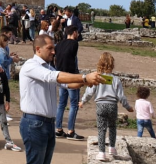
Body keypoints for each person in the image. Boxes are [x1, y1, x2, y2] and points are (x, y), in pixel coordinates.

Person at [19, 35, 104, 164]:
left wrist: (87, 82)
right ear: (38, 49)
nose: (54, 52)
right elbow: (56, 77)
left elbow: (67, 84)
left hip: (47, 123)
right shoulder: (31, 65)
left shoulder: (47, 67)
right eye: (50, 48)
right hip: (34, 123)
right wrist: (85, 78)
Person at [79, 52, 134, 162]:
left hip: (100, 105)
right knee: (112, 126)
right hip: (112, 105)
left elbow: (90, 91)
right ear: (112, 65)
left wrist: (83, 101)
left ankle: (101, 153)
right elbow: (120, 95)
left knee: (101, 128)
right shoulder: (115, 79)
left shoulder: (97, 77)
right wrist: (127, 106)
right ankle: (112, 148)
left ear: (99, 64)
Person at [54, 26, 84, 141]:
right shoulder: (74, 44)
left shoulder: (60, 44)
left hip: (61, 76)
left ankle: (58, 129)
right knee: (73, 104)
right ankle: (70, 130)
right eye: (77, 33)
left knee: (61, 103)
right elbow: (71, 59)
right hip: (71, 76)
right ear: (74, 32)